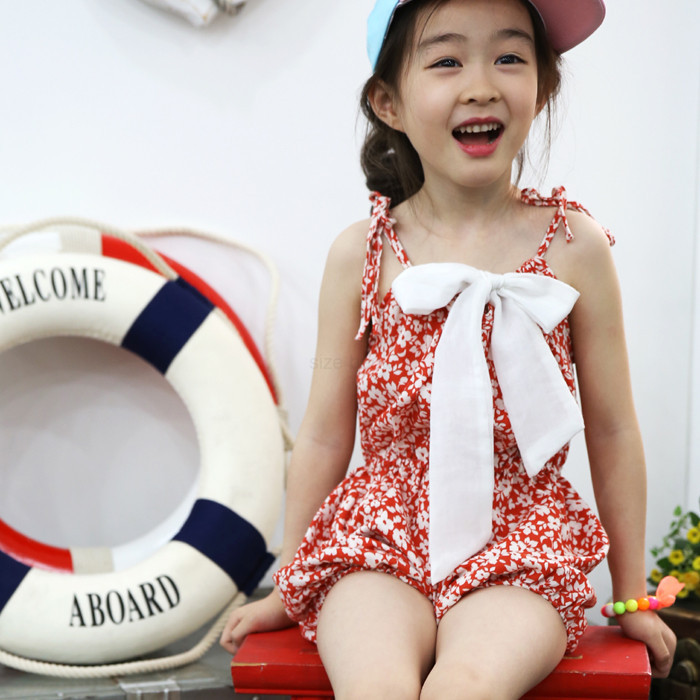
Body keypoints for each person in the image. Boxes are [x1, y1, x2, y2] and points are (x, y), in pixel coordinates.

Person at [221, 0, 678, 696]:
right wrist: (290, 578)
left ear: (543, 87)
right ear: (389, 103)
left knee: (466, 686)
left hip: (521, 545)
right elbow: (323, 435)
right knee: (374, 687)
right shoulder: (362, 254)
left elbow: (613, 429)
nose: (481, 85)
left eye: (509, 57)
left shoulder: (575, 247)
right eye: (446, 61)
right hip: (379, 539)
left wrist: (631, 592)